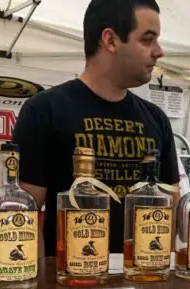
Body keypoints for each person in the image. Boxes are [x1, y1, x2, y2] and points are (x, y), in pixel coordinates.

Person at [12, 0, 180, 256]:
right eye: (147, 39)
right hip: (71, 281)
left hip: (144, 277)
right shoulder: (45, 110)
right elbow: (23, 216)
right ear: (110, 40)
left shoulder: (156, 118)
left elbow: (171, 208)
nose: (159, 51)